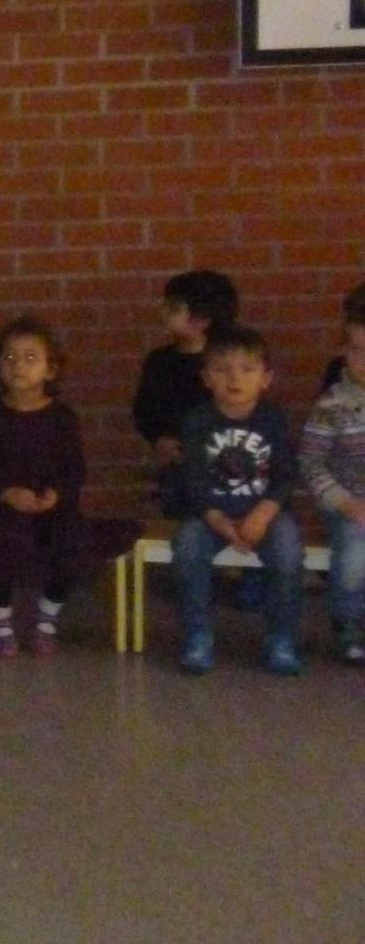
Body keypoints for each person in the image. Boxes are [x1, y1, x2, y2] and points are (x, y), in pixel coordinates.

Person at [172, 325, 303, 676]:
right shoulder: (198, 421)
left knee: (289, 551)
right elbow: (193, 480)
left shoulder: (272, 419)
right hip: (211, 514)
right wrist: (216, 520)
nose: (235, 378)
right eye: (223, 369)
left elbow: (286, 476)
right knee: (187, 547)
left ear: (266, 378)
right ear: (206, 378)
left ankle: (282, 638)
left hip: (265, 513)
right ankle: (198, 636)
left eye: (247, 369)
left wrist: (262, 514)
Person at [0, 317, 87, 659]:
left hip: (51, 505)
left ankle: (46, 620)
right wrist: (6, 493)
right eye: (9, 358)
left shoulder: (63, 418)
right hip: (2, 504)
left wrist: (55, 494)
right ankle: (1, 623)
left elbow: (74, 469)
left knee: (70, 539)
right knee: (1, 542)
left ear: (51, 369)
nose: (18, 365)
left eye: (30, 358)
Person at [131, 268, 239, 515]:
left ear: (201, 320)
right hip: (176, 461)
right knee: (176, 500)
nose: (163, 314)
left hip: (223, 460)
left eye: (173, 309)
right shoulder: (159, 361)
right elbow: (144, 409)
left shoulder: (227, 363)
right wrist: (158, 439)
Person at [301, 289, 365, 666]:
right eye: (356, 350)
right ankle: (349, 622)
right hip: (350, 502)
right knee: (356, 552)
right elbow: (311, 462)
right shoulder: (332, 405)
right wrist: (345, 502)